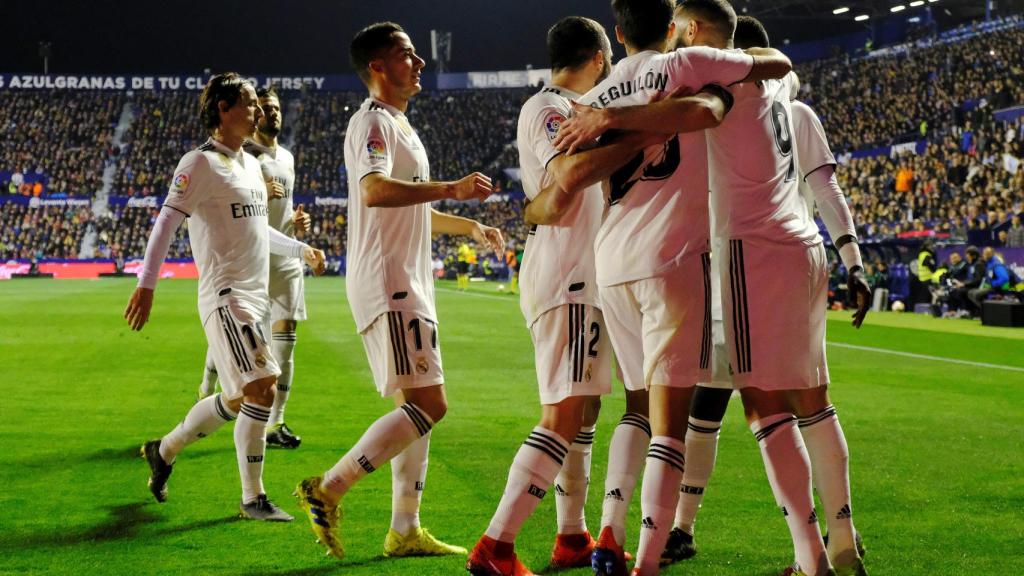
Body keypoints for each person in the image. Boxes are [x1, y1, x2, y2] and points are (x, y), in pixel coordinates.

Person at [552, 2, 793, 574]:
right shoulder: (693, 65)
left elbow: (567, 178)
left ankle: (609, 532)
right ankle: (649, 558)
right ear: (671, 30)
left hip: (612, 262)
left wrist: (616, 123)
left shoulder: (602, 93)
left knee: (635, 409)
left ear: (617, 34)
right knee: (668, 422)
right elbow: (760, 74)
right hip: (673, 259)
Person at [466, 16, 672, 576]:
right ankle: (496, 545)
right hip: (571, 277)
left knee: (582, 414)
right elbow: (570, 177)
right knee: (563, 414)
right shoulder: (550, 107)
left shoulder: (573, 107)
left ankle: (572, 536)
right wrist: (644, 132)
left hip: (584, 274)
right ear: (602, 58)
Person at [294, 22, 505, 560]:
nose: (419, 63)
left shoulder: (401, 126)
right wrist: (453, 186)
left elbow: (415, 207)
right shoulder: (371, 121)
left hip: (407, 282)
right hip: (390, 280)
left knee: (417, 404)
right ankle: (329, 487)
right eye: (406, 55)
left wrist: (468, 224)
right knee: (431, 403)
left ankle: (405, 529)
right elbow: (375, 191)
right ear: (377, 67)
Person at [125, 72, 326, 521]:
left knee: (239, 400)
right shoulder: (198, 164)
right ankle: (252, 498)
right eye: (249, 103)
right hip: (226, 296)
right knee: (262, 387)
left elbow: (262, 232)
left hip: (254, 298)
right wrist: (146, 284)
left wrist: (301, 249)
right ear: (223, 107)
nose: (257, 110)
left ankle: (165, 449)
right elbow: (165, 224)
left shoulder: (251, 166)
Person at [197, 85, 313, 450]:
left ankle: (276, 422)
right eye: (264, 107)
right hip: (254, 260)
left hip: (287, 258)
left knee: (287, 342)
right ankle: (207, 386)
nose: (271, 113)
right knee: (245, 337)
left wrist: (298, 224)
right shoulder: (242, 159)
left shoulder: (288, 157)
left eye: (276, 107)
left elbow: (284, 208)